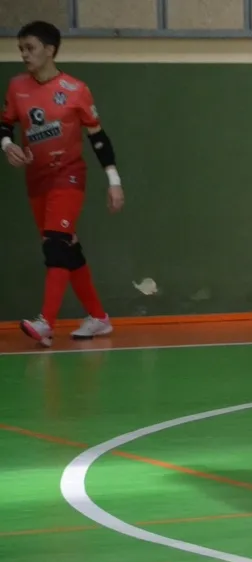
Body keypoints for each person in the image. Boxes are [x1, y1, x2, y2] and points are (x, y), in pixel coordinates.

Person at [2, 21, 124, 347]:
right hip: (36, 179)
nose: (24, 54)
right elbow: (5, 124)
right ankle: (98, 317)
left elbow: (98, 138)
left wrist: (114, 181)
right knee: (66, 246)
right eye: (21, 49)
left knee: (55, 244)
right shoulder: (16, 87)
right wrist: (7, 145)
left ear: (50, 50)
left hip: (68, 175)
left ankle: (46, 323)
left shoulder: (76, 90)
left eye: (30, 48)